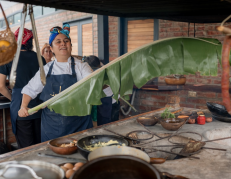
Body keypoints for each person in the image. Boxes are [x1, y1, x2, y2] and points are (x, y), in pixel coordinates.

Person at [18, 24, 93, 142]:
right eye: (58, 41)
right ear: (52, 48)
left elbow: (92, 83)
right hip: (51, 126)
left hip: (79, 124)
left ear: (71, 46)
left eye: (66, 41)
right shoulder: (46, 69)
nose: (63, 43)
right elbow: (30, 89)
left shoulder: (82, 66)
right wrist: (23, 106)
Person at [0, 28, 46, 149]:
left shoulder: (9, 58)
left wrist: (14, 99)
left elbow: (1, 87)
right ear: (31, 41)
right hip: (39, 106)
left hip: (20, 108)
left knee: (26, 148)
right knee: (40, 144)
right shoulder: (40, 58)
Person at [84, 55, 120, 125]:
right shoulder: (103, 69)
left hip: (108, 101)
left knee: (107, 125)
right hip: (114, 99)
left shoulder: (99, 73)